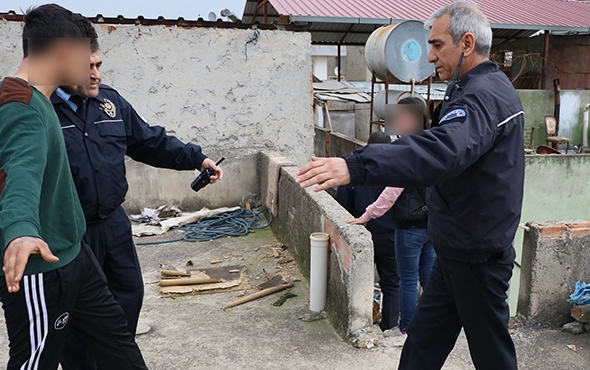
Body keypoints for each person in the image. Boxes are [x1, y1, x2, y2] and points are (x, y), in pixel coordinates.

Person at [296, 2, 524, 369]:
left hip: (476, 255)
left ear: (466, 42)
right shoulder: (471, 88)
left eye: (437, 45)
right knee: (421, 346)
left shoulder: (482, 96)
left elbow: (441, 152)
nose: (430, 56)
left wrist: (356, 166)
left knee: (492, 354)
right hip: (455, 248)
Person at [51, 15, 223, 369]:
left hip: (114, 225)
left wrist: (197, 158)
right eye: (88, 67)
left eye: (99, 64)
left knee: (128, 296)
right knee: (75, 313)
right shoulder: (42, 112)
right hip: (73, 233)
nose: (96, 74)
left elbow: (150, 142)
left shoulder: (110, 104)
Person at [0, 4, 147, 369]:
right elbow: (21, 173)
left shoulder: (42, 100)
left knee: (122, 353)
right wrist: (20, 231)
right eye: (86, 54)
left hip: (76, 256)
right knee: (35, 362)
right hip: (42, 269)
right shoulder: (21, 106)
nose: (92, 66)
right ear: (64, 51)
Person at [347, 98, 436, 335]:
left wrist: (367, 215)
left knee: (406, 280)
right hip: (433, 226)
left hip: (409, 228)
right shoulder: (435, 144)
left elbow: (390, 194)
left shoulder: (407, 149)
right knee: (431, 279)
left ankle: (406, 328)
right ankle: (437, 323)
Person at [335, 132, 400, 335]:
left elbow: (341, 203)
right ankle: (389, 325)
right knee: (391, 283)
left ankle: (359, 324)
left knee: (359, 281)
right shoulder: (396, 169)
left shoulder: (355, 169)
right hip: (389, 234)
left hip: (359, 233)